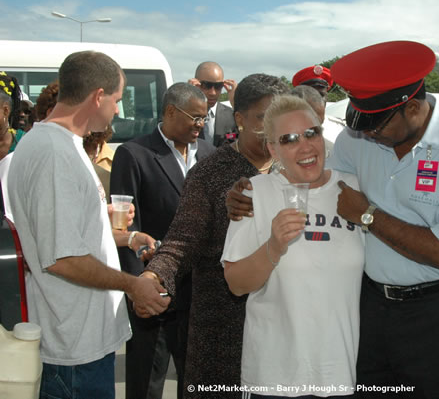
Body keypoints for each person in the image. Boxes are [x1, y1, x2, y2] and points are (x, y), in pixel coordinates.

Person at [226, 41, 439, 399]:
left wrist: (368, 216)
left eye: (378, 125)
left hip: (437, 312)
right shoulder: (358, 140)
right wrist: (249, 192)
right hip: (371, 314)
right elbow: (308, 170)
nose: (368, 133)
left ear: (412, 108)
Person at [7, 50, 169, 399]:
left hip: (79, 342)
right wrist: (132, 284)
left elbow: (64, 233)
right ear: (98, 96)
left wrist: (125, 238)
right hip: (73, 349)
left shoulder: (63, 144)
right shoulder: (54, 152)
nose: (117, 109)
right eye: (116, 99)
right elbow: (61, 258)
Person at [141, 74, 288, 398]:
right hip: (223, 329)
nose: (275, 129)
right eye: (264, 118)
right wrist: (155, 276)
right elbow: (182, 240)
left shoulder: (296, 171)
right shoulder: (209, 173)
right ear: (240, 119)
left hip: (287, 326)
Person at [222, 94, 364, 397]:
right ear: (273, 148)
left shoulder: (354, 189)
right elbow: (235, 284)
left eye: (312, 133)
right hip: (275, 377)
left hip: (338, 373)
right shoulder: (254, 193)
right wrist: (273, 246)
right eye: (289, 139)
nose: (305, 146)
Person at [110, 82, 215, 399]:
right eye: (195, 118)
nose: (200, 125)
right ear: (171, 112)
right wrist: (136, 288)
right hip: (154, 291)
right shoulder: (134, 154)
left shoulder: (210, 155)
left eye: (204, 118)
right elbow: (125, 228)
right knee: (146, 383)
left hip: (200, 293)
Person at [189, 61, 238, 147]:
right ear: (196, 84)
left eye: (218, 86)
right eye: (207, 85)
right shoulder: (185, 114)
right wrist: (187, 99)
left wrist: (237, 103)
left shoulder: (232, 116)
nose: (213, 93)